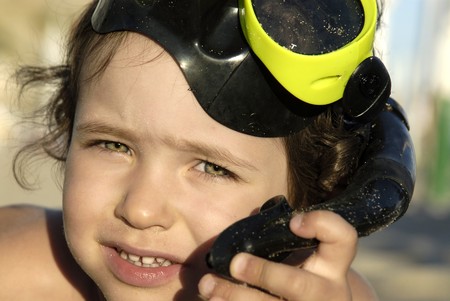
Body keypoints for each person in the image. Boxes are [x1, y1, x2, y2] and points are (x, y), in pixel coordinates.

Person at [0, 0, 391, 300]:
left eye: (211, 167)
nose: (140, 210)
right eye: (113, 144)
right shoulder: (15, 271)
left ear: (316, 195)